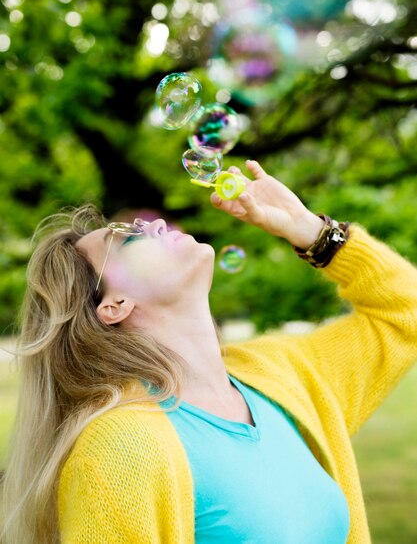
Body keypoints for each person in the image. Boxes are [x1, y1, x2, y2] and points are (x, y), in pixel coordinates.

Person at [2, 159, 417, 544]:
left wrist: (313, 232)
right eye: (129, 240)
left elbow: (405, 311)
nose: (157, 224)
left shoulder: (283, 374)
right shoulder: (119, 450)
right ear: (115, 306)